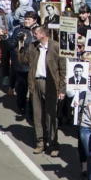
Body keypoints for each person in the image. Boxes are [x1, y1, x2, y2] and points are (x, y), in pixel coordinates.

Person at [21, 26, 66, 157]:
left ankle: (53, 144)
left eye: (35, 33)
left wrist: (62, 89)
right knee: (37, 114)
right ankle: (40, 142)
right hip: (36, 83)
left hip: (51, 84)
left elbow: (63, 71)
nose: (33, 35)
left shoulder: (56, 47)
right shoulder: (33, 46)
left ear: (43, 34)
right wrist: (21, 44)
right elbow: (23, 60)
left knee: (51, 116)